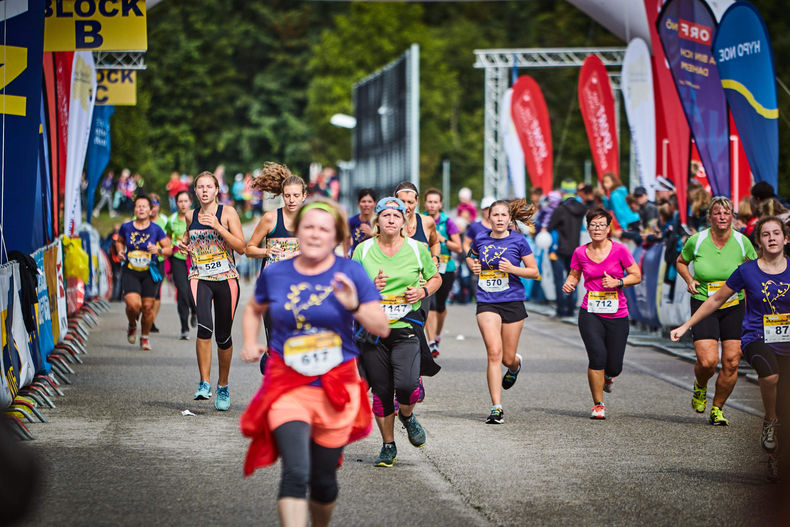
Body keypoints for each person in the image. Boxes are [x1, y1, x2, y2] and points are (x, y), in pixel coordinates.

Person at [240, 198, 389, 527]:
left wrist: (354, 305)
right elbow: (253, 309)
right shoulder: (276, 272)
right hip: (287, 385)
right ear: (298, 231)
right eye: (308, 227)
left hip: (334, 387)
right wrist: (250, 342)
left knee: (323, 480)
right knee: (295, 471)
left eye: (324, 228)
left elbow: (381, 326)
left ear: (336, 236)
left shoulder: (350, 272)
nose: (315, 234)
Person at [671, 216, 790, 482]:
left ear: (786, 238)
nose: (772, 238)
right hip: (757, 337)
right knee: (770, 375)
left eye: (776, 233)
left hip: (787, 341)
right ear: (758, 242)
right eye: (766, 234)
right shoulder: (747, 271)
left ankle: (776, 458)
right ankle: (769, 420)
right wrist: (686, 325)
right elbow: (716, 299)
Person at [352, 197, 441, 466]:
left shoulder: (416, 249)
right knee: (381, 391)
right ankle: (388, 445)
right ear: (377, 220)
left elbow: (436, 278)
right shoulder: (363, 250)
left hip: (406, 327)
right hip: (373, 331)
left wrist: (422, 291)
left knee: (407, 386)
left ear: (404, 221)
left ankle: (407, 415)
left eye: (396, 215)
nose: (391, 219)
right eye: (386, 215)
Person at [676, 196, 757, 425]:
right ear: (710, 217)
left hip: (733, 305)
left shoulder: (742, 241)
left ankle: (717, 408)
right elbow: (681, 261)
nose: (722, 216)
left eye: (726, 212)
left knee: (731, 361)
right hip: (704, 303)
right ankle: (700, 386)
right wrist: (689, 280)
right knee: (707, 362)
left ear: (732, 216)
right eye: (717, 213)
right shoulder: (697, 240)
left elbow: (756, 268)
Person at [562, 208, 641, 419]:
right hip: (590, 312)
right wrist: (569, 283)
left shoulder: (620, 250)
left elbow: (636, 275)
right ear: (587, 228)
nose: (597, 229)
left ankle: (609, 376)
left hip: (617, 313)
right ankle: (598, 404)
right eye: (593, 225)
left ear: (608, 229)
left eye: (601, 225)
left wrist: (618, 282)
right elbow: (574, 274)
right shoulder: (580, 252)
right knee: (597, 357)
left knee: (614, 366)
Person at [466, 199, 539, 424]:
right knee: (494, 353)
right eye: (495, 215)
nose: (499, 219)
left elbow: (534, 271)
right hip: (487, 301)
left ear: (509, 219)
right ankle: (496, 407)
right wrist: (473, 265)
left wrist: (513, 269)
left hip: (512, 301)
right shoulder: (480, 238)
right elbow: (470, 256)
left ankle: (515, 366)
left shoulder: (519, 240)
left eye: (503, 215)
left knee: (507, 358)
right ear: (489, 218)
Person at [183, 171, 246, 410]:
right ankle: (204, 383)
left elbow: (241, 247)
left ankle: (223, 385)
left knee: (223, 336)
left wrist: (219, 227)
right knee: (204, 327)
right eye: (200, 187)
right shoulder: (190, 215)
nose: (204, 191)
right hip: (200, 277)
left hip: (226, 279)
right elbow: (187, 240)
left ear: (217, 190)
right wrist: (184, 246)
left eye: (209, 186)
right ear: (195, 191)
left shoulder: (227, 213)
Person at [246, 163, 308, 371]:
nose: (291, 200)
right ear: (282, 195)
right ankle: (271, 358)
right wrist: (266, 251)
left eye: (296, 196)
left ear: (304, 196)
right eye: (287, 195)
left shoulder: (309, 221)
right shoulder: (271, 218)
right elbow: (249, 248)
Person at [115, 195, 171, 351]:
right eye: (138, 206)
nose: (141, 209)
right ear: (134, 209)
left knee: (147, 307)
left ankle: (145, 337)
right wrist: (120, 251)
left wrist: (158, 250)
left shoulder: (156, 229)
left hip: (149, 271)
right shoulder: (126, 227)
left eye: (144, 206)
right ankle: (132, 324)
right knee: (133, 305)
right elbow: (119, 241)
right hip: (131, 270)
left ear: (150, 210)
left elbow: (168, 249)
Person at [422, 188, 462, 357]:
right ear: (425, 203)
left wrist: (442, 239)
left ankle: (437, 335)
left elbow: (458, 248)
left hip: (446, 268)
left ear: (441, 204)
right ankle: (431, 343)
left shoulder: (448, 222)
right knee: (430, 304)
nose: (432, 205)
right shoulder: (420, 219)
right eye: (429, 201)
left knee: (440, 307)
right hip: (426, 268)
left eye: (435, 202)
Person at [548, 184, 591, 318]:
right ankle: (571, 309)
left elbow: (550, 227)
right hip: (575, 249)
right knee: (573, 279)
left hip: (559, 249)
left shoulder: (560, 209)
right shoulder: (582, 209)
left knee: (559, 280)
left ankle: (561, 309)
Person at [168, 190, 198, 339]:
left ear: (190, 202)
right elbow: (168, 236)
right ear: (176, 203)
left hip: (194, 259)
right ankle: (184, 328)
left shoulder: (197, 217)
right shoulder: (171, 219)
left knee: (192, 291)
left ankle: (195, 311)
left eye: (186, 201)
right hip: (177, 258)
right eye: (180, 201)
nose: (183, 204)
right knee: (182, 291)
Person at [148, 193, 168, 334]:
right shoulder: (138, 219)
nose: (153, 208)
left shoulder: (164, 221)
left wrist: (161, 250)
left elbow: (168, 240)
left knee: (156, 293)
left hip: (159, 260)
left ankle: (151, 321)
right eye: (151, 205)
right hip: (142, 260)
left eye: (155, 205)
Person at [347, 188, 377, 257]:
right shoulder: (352, 221)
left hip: (373, 258)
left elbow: (386, 241)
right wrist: (346, 254)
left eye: (370, 201)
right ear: (358, 204)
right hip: (356, 258)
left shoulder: (379, 221)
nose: (366, 204)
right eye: (363, 201)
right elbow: (346, 237)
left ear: (375, 204)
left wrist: (371, 234)